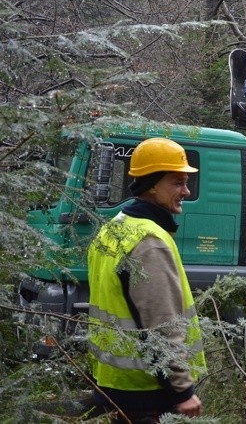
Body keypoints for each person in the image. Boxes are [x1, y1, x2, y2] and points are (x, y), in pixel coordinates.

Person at [87, 137, 206, 422]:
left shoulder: (113, 228)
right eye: (178, 183)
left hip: (114, 383)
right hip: (148, 390)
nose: (186, 191)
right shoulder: (149, 240)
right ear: (152, 184)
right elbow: (161, 322)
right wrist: (183, 391)